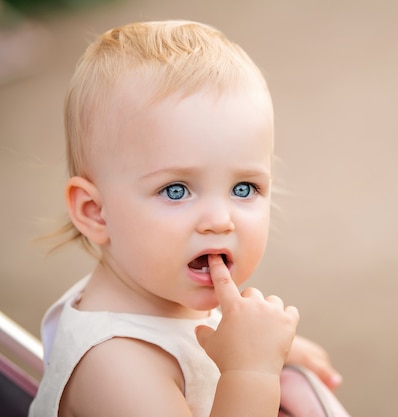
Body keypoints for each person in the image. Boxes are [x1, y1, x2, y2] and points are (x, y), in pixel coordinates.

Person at [29, 20, 344, 417]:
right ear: (96, 211)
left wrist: (272, 347)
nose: (219, 220)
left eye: (243, 188)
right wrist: (251, 370)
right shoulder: (116, 366)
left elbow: (194, 341)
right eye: (175, 190)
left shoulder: (158, 284)